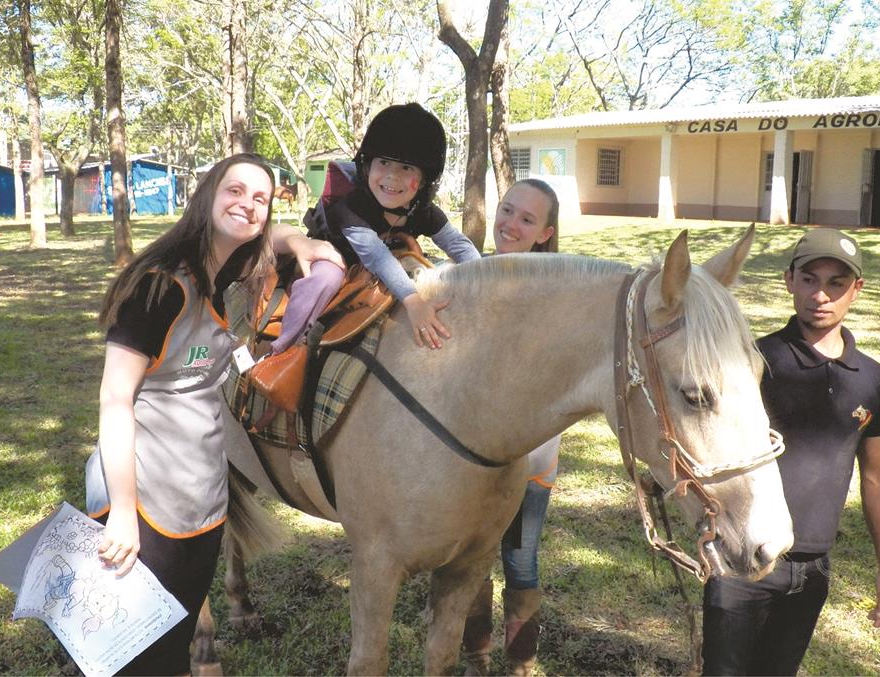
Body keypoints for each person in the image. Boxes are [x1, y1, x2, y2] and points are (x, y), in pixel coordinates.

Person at [85, 153, 342, 675]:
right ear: (207, 196)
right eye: (235, 191)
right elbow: (115, 400)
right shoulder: (157, 287)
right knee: (134, 657)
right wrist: (123, 514)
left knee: (175, 646)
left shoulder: (228, 269)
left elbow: (265, 240)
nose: (247, 205)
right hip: (145, 501)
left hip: (200, 500)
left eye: (260, 199)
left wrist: (300, 241)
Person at [700, 228, 880, 675]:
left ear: (857, 289)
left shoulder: (870, 380)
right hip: (741, 562)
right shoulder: (754, 362)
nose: (821, 295)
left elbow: (877, 476)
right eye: (810, 279)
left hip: (813, 570)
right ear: (789, 280)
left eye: (836, 283)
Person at [460, 178, 560, 677]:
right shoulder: (470, 276)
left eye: (527, 219)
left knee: (521, 563)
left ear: (546, 233)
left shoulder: (558, 295)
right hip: (471, 461)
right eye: (507, 210)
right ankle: (474, 655)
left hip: (530, 460)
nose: (511, 225)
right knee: (471, 562)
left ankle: (519, 663)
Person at [299, 102, 481, 350]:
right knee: (325, 279)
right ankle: (287, 349)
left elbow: (458, 244)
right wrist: (414, 301)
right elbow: (377, 257)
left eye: (406, 168)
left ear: (425, 179)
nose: (392, 176)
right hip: (333, 259)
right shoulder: (351, 208)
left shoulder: (423, 211)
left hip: (379, 268)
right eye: (384, 163)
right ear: (367, 165)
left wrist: (484, 275)